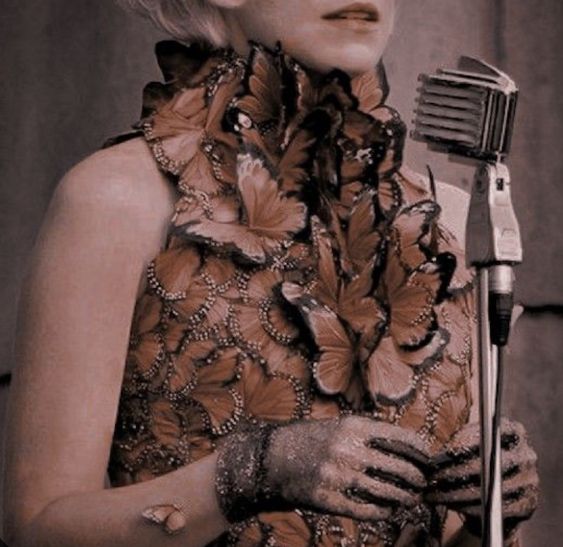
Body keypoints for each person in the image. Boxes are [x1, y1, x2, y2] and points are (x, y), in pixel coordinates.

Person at [3, 1, 539, 545]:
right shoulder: (117, 200)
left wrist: (491, 517)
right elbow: (37, 527)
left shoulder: (451, 224)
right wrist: (251, 472)